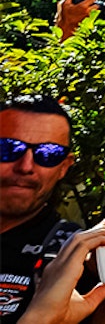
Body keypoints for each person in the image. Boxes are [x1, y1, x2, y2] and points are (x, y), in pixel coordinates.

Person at [1, 96, 81, 321]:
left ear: (64, 167)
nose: (25, 166)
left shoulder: (70, 255)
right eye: (8, 149)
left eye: (48, 153)